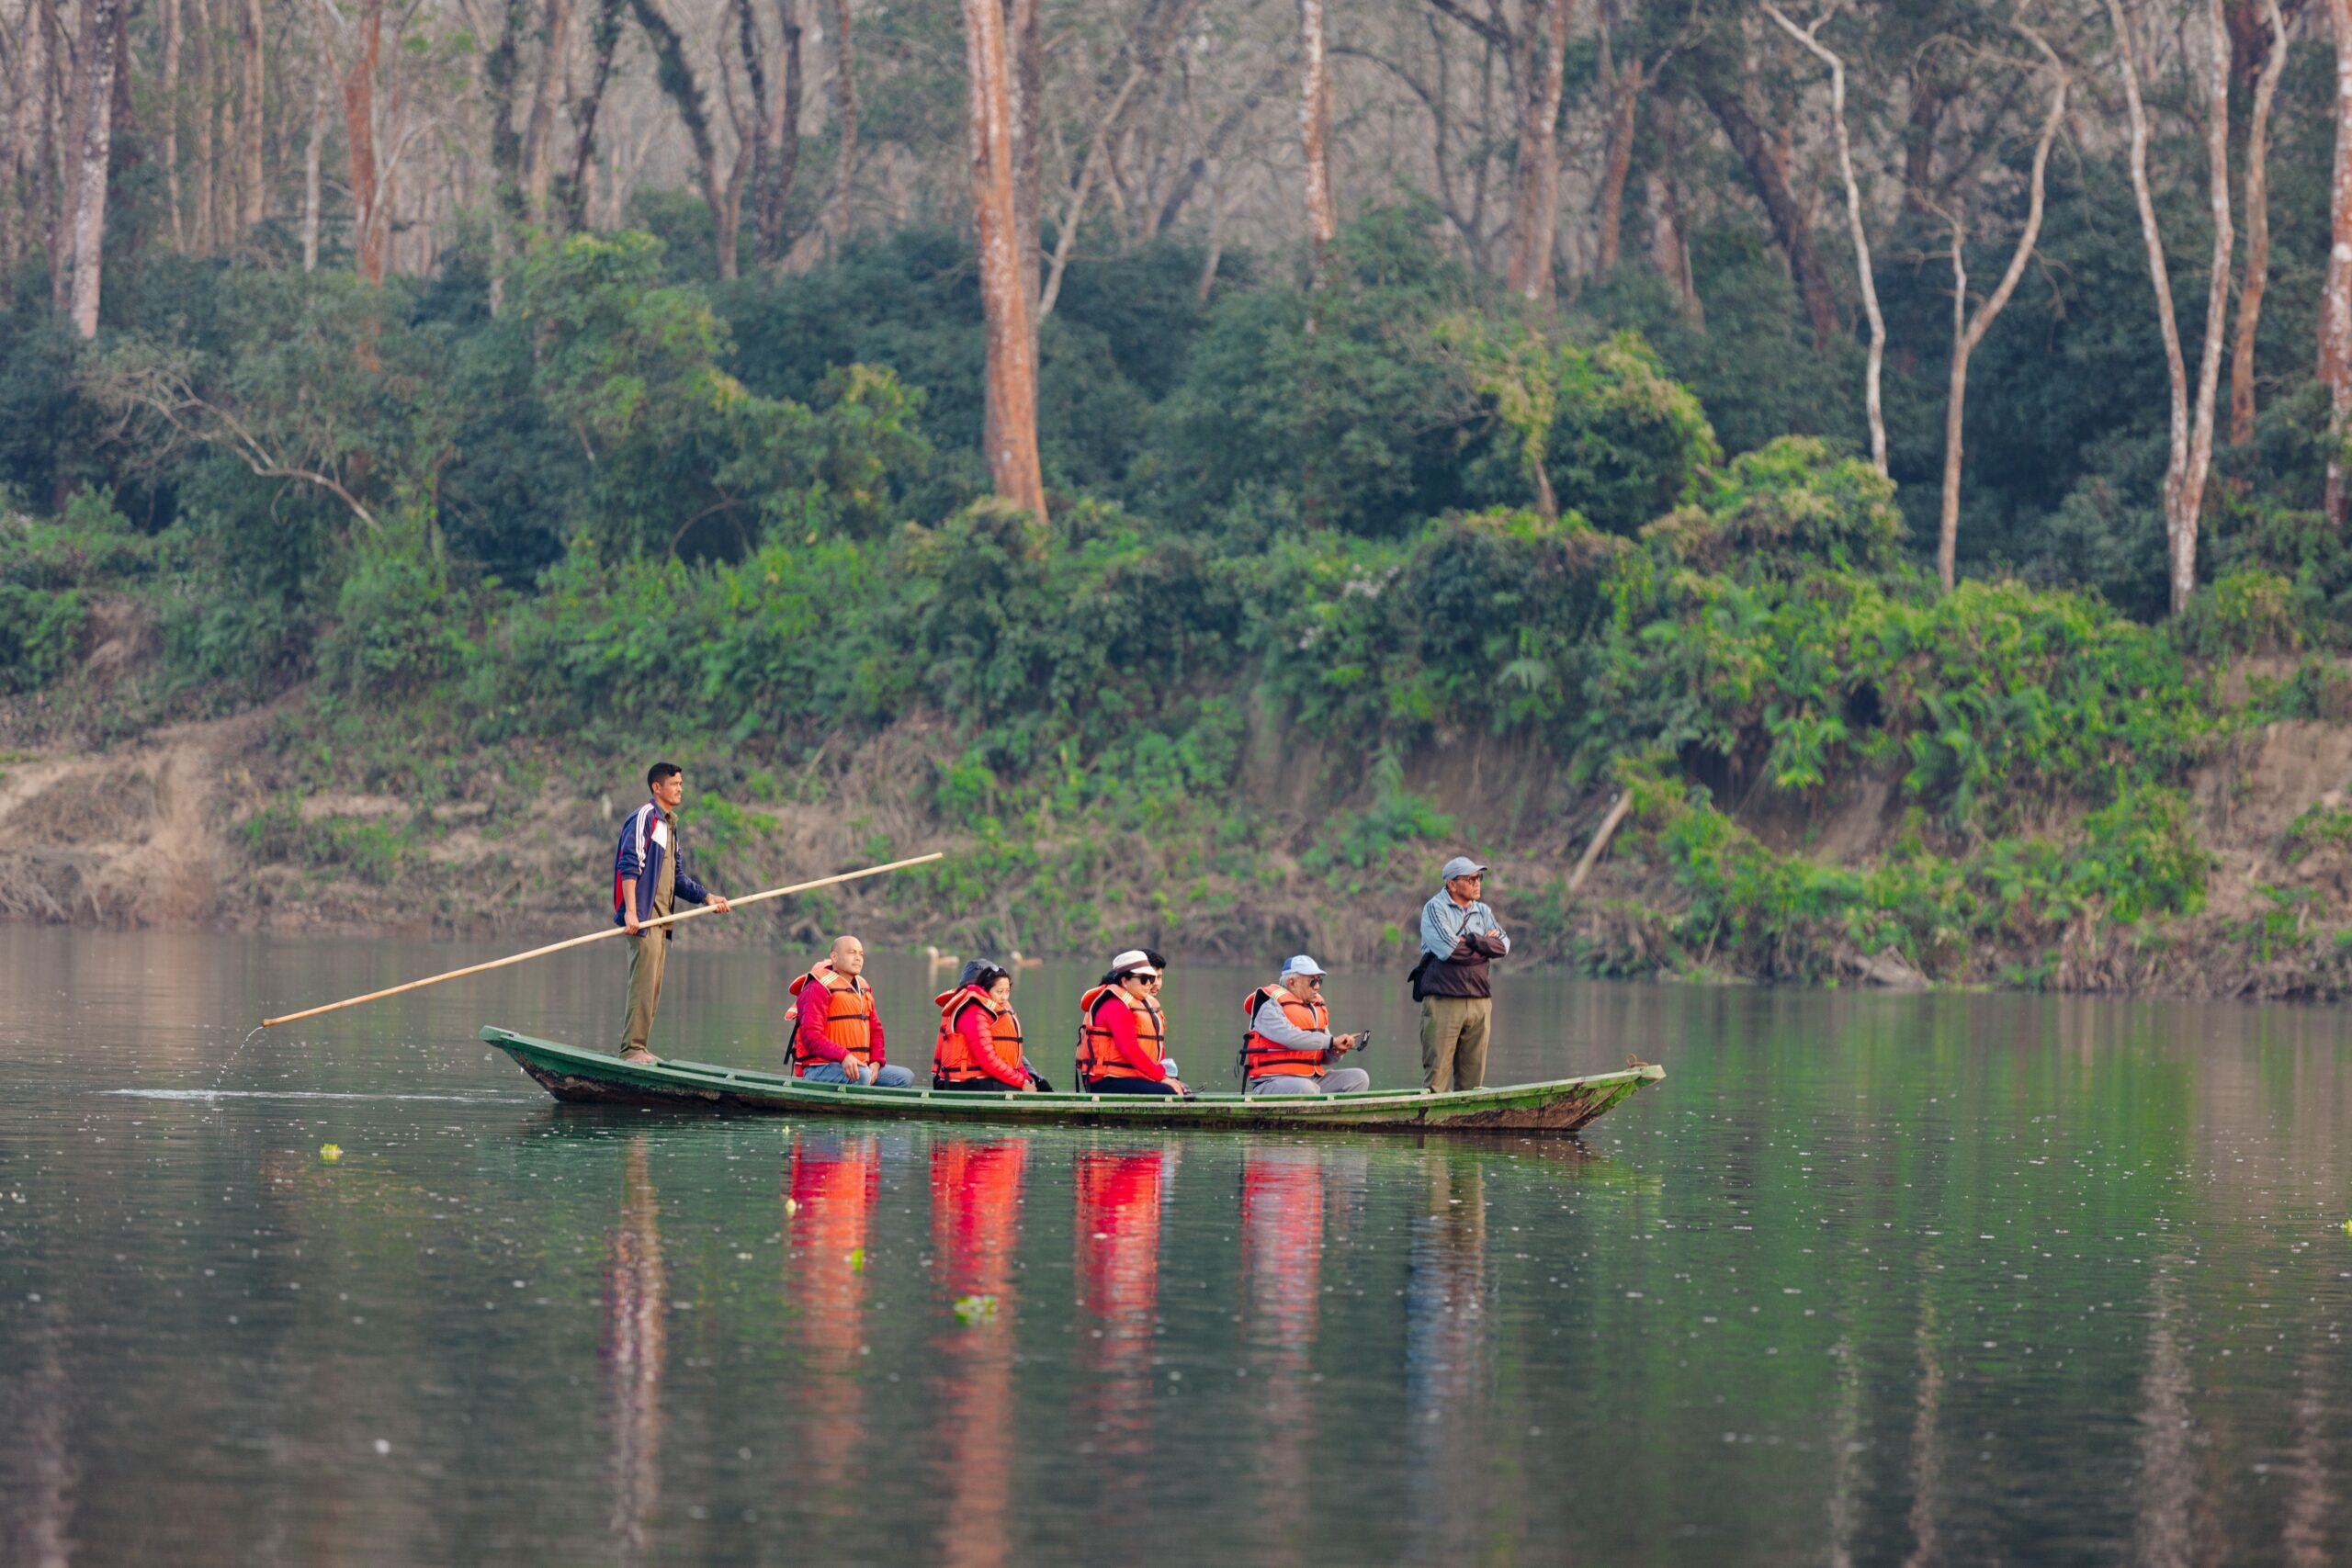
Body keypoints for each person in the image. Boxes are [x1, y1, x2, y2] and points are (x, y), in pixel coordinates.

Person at [613, 761, 730, 1064]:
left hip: (662, 922)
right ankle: (632, 1050)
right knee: (642, 985)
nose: (680, 788)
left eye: (681, 783)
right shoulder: (646, 819)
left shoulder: (670, 826)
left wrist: (707, 897)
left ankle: (639, 1046)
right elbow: (629, 864)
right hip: (644, 919)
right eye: (675, 783)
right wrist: (631, 913)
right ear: (657, 787)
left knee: (653, 988)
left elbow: (677, 878)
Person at [1413, 856, 1509, 1092]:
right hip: (1444, 1002)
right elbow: (1450, 951)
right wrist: (1485, 946)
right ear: (1452, 884)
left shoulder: (1483, 911)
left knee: (1473, 1082)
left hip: (1479, 1002)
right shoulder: (1435, 909)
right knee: (1437, 1081)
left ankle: (1466, 1125)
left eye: (1479, 877)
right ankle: (1432, 1124)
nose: (1478, 883)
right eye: (1471, 878)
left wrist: (1474, 940)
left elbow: (1504, 946)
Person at [788, 935, 916, 1087]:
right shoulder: (816, 988)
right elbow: (811, 1036)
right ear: (834, 957)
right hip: (819, 1069)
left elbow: (876, 1030)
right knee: (861, 1076)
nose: (858, 958)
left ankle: (871, 1107)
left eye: (861, 954)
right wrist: (844, 1057)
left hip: (859, 1067)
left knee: (905, 1077)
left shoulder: (863, 987)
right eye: (851, 952)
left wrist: (876, 1062)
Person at [1240, 954, 1371, 1095]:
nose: (1317, 987)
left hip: (1311, 1079)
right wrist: (1331, 1041)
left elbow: (1324, 1054)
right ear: (1292, 982)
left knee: (1359, 1078)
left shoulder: (1314, 1008)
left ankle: (1335, 1115)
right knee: (1307, 1088)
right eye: (1312, 981)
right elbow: (1291, 1037)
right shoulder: (1269, 1007)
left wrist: (1335, 1050)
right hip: (1274, 1081)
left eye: (1319, 981)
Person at [1075, 949, 1188, 1095]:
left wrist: (1167, 1077)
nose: (1149, 984)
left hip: (1128, 1077)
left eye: (1152, 978)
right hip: (1105, 1081)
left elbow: (1156, 1049)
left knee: (1180, 1089)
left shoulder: (1143, 1004)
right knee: (1168, 1092)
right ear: (1125, 981)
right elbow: (1130, 1050)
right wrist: (1161, 1078)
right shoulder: (1115, 1006)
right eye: (1144, 979)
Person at [933, 959, 1042, 1091]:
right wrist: (1022, 1083)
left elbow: (1012, 1058)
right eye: (999, 991)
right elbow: (987, 1059)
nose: (1004, 997)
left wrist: (1028, 1079)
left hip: (980, 1078)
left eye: (1007, 991)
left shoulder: (990, 1007)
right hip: (962, 1083)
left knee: (1040, 1085)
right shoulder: (972, 1010)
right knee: (1022, 1092)